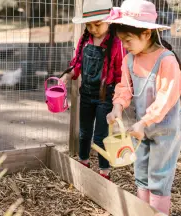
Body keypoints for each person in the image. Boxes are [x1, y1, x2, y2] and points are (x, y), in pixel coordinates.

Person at [104, 0, 181, 215]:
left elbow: (165, 99)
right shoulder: (129, 59)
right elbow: (124, 87)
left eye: (128, 40)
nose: (125, 45)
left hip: (165, 129)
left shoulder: (166, 61)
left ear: (147, 34)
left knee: (159, 175)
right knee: (141, 171)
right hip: (141, 129)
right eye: (122, 41)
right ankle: (143, 211)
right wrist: (117, 108)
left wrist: (143, 122)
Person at [60, 0, 124, 180]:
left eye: (97, 24)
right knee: (84, 132)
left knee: (101, 136)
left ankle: (104, 172)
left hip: (106, 96)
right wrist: (66, 76)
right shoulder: (85, 40)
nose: (93, 29)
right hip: (87, 94)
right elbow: (78, 64)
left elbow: (121, 75)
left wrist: (118, 102)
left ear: (109, 21)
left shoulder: (116, 43)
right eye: (88, 25)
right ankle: (83, 162)